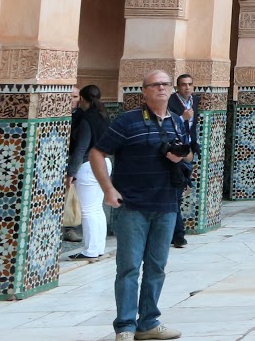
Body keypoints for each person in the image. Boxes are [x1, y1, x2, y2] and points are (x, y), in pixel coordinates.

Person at [89, 70, 193, 341]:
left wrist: (180, 157)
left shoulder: (177, 121)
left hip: (166, 203)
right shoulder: (127, 121)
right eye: (155, 85)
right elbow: (97, 152)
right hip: (133, 205)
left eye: (165, 84)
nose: (161, 88)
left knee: (157, 267)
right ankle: (125, 327)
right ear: (144, 92)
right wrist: (108, 189)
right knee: (129, 267)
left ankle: (148, 323)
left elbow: (189, 153)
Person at [66, 84, 110, 261]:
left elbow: (81, 148)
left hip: (88, 165)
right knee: (96, 208)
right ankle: (98, 248)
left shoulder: (87, 119)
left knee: (88, 210)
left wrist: (71, 172)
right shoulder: (103, 116)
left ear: (82, 99)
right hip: (105, 162)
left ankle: (90, 250)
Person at [169, 74, 199, 249]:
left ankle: (176, 234)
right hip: (173, 153)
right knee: (174, 195)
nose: (187, 88)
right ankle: (178, 235)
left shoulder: (194, 101)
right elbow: (169, 123)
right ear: (177, 87)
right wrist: (182, 118)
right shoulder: (172, 102)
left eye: (189, 84)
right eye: (183, 85)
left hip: (187, 152)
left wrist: (192, 150)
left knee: (177, 194)